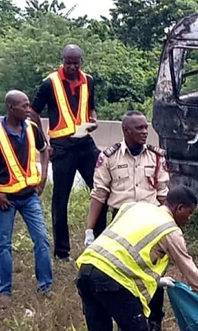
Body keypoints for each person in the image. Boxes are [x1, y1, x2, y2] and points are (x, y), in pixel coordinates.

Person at [76, 186, 198, 331]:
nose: (189, 219)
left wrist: (155, 279)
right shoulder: (169, 230)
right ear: (179, 208)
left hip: (86, 270)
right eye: (189, 213)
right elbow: (193, 277)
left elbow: (125, 248)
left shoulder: (134, 207)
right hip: (114, 281)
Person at [83, 111, 170, 331]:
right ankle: (125, 318)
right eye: (139, 128)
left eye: (145, 127)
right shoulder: (109, 157)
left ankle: (153, 322)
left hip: (150, 223)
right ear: (125, 130)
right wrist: (90, 230)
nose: (144, 132)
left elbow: (163, 195)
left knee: (153, 276)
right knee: (121, 273)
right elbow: (99, 195)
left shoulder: (156, 157)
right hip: (121, 223)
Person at [29, 44, 107, 261]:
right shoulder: (49, 83)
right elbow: (32, 112)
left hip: (85, 143)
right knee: (61, 199)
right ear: (62, 61)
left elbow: (91, 108)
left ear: (82, 61)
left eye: (76, 62)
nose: (72, 66)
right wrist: (44, 143)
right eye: (68, 62)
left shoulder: (88, 81)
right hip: (61, 146)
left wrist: (93, 120)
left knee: (101, 190)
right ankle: (62, 253)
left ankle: (99, 244)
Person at [0, 90, 53, 297]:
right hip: (6, 200)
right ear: (11, 108)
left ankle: (45, 286)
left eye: (28, 104)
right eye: (23, 106)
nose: (28, 109)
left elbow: (44, 150)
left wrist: (44, 175)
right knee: (4, 244)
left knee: (42, 239)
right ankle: (5, 291)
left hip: (30, 196)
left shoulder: (32, 128)